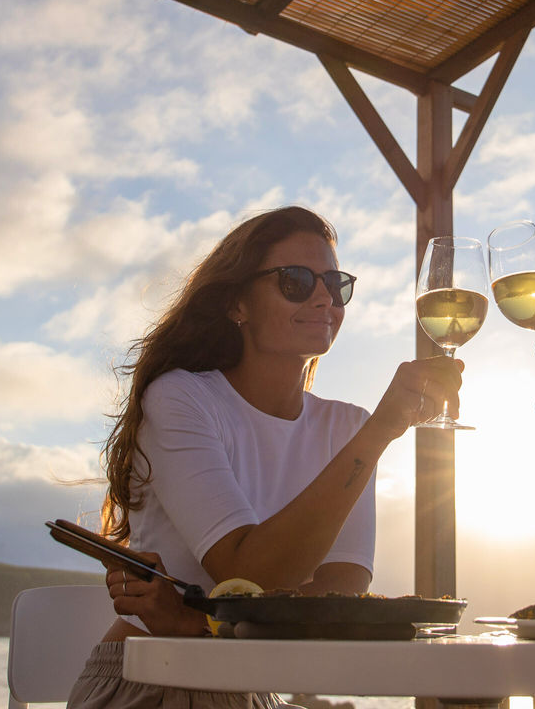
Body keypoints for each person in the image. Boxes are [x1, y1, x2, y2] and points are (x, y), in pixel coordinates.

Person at [66, 205, 462, 709]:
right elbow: (249, 572)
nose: (324, 297)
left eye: (334, 283)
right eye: (296, 281)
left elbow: (341, 586)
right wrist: (381, 431)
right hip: (152, 683)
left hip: (251, 685)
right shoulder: (181, 399)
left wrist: (200, 622)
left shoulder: (346, 425)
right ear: (238, 304)